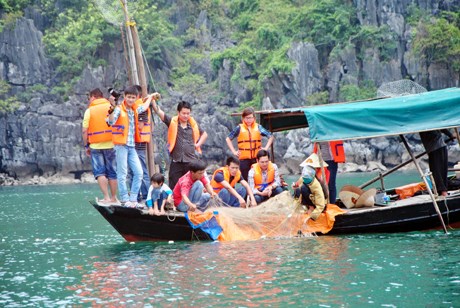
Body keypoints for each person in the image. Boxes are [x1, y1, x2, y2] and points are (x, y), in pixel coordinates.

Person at [107, 85, 156, 207]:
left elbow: (144, 107)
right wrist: (112, 108)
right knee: (122, 173)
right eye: (128, 97)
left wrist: (150, 98)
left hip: (131, 146)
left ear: (136, 98)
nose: (130, 100)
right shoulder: (118, 109)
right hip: (121, 146)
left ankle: (133, 199)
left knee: (139, 172)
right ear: (124, 96)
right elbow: (110, 121)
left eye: (133, 98)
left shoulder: (134, 109)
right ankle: (125, 199)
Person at [151, 99, 208, 190]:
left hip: (190, 161)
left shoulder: (193, 125)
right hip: (176, 161)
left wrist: (197, 145)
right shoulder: (173, 122)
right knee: (174, 185)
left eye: (188, 113)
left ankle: (189, 203)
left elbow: (204, 134)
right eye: (183, 113)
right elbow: (159, 112)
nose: (186, 115)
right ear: (178, 112)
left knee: (191, 185)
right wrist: (152, 100)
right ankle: (173, 203)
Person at [82, 88, 118, 204]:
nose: (89, 100)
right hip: (111, 144)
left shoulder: (89, 110)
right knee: (112, 172)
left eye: (89, 98)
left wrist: (86, 145)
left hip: (95, 146)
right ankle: (114, 197)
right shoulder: (111, 107)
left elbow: (84, 130)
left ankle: (106, 197)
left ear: (93, 96)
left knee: (100, 172)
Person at [226, 107, 274, 181]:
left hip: (256, 159)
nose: (249, 120)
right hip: (244, 160)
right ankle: (248, 192)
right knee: (246, 180)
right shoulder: (239, 128)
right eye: (246, 118)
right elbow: (228, 138)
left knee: (257, 179)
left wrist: (266, 148)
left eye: (250, 118)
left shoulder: (258, 127)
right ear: (243, 118)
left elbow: (270, 136)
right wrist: (234, 152)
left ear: (254, 118)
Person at [127, 85, 154, 202]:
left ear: (137, 95)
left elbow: (140, 126)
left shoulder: (140, 108)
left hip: (139, 143)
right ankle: (136, 196)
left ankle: (146, 195)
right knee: (133, 171)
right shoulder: (136, 107)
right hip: (132, 143)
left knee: (140, 170)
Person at [420, 129, 453, 196]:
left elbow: (441, 127)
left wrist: (450, 135)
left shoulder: (425, 121)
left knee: (436, 170)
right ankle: (443, 190)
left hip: (435, 148)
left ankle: (443, 191)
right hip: (440, 146)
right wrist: (450, 135)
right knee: (441, 170)